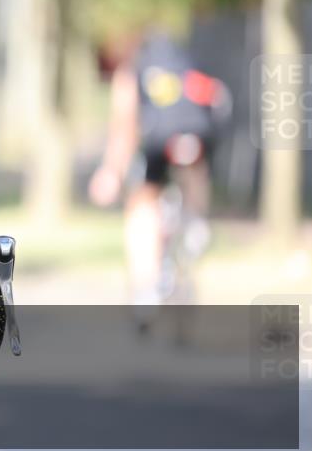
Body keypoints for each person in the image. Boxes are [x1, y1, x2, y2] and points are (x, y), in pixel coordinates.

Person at [89, 30, 228, 317]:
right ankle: (195, 223)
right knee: (195, 168)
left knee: (143, 203)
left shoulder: (133, 69)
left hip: (159, 142)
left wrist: (111, 172)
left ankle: (146, 287)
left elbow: (125, 125)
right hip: (199, 137)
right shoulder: (188, 62)